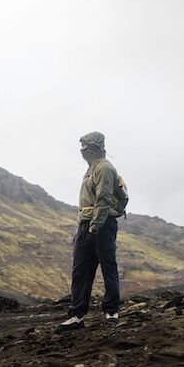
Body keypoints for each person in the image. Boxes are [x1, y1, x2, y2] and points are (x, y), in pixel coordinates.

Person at [59, 132, 121, 330]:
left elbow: (103, 200)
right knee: (80, 271)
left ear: (94, 145)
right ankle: (76, 315)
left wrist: (94, 228)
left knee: (107, 266)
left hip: (101, 225)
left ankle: (111, 311)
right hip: (86, 225)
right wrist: (84, 229)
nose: (81, 148)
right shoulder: (90, 169)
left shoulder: (105, 168)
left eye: (84, 144)